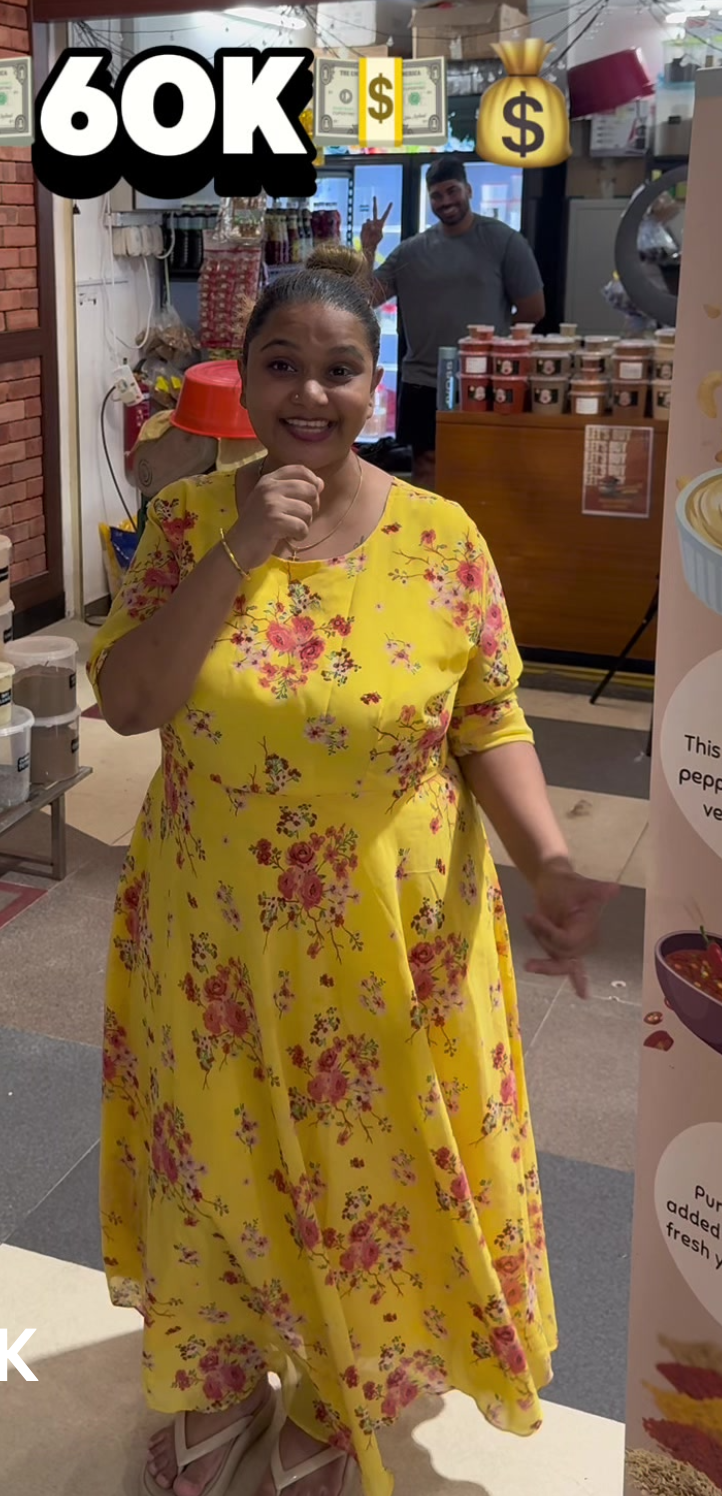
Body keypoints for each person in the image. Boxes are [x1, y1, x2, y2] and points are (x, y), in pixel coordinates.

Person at [89, 247, 614, 1496]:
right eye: (282, 366)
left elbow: (488, 717)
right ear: (244, 379)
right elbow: (130, 702)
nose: (310, 394)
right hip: (213, 934)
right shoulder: (186, 520)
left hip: (394, 935)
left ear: (376, 385)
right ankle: (221, 1373)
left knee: (366, 1170)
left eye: (339, 370)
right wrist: (238, 549)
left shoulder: (443, 538)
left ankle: (341, 1395)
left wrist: (547, 857)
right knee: (213, 1157)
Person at [362, 159, 545, 491]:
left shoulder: (504, 241)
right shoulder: (410, 252)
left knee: (483, 465)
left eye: (452, 191)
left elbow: (534, 309)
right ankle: (426, 525)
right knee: (425, 464)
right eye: (437, 195)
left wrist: (491, 348)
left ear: (468, 190)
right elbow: (365, 298)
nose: (445, 201)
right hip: (423, 379)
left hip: (484, 379)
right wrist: (369, 248)